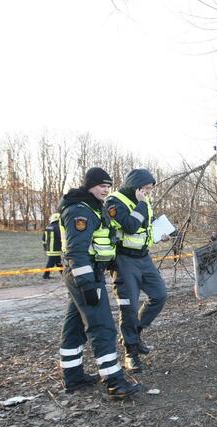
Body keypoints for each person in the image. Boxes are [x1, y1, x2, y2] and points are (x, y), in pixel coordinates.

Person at [58, 167, 142, 398]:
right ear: (89, 186)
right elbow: (77, 250)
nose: (105, 189)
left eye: (108, 185)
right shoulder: (79, 211)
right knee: (102, 326)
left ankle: (73, 377)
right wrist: (86, 284)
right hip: (85, 275)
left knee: (74, 326)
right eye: (101, 185)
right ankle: (114, 382)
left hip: (88, 273)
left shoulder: (93, 207)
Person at [107, 169, 170, 372]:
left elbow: (145, 229)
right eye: (146, 189)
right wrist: (142, 203)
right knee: (128, 307)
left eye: (150, 190)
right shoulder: (114, 202)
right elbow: (130, 226)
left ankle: (137, 332)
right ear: (136, 186)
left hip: (144, 258)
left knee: (159, 295)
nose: (148, 193)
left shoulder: (144, 201)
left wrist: (160, 235)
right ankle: (130, 353)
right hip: (124, 260)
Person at [42, 213, 62, 279]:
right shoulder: (58, 227)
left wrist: (45, 247)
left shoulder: (48, 227)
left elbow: (43, 238)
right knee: (51, 263)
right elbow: (61, 237)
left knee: (58, 262)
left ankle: (63, 274)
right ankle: (45, 275)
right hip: (55, 248)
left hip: (49, 248)